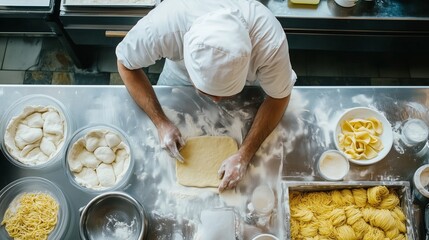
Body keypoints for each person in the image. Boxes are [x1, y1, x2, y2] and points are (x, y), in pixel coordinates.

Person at [116, 0, 297, 192]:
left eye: (224, 93)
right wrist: (161, 122)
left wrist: (244, 154)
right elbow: (125, 64)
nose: (215, 101)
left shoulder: (269, 43)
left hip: (250, 86)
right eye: (207, 92)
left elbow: (279, 96)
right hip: (179, 77)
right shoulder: (164, 26)